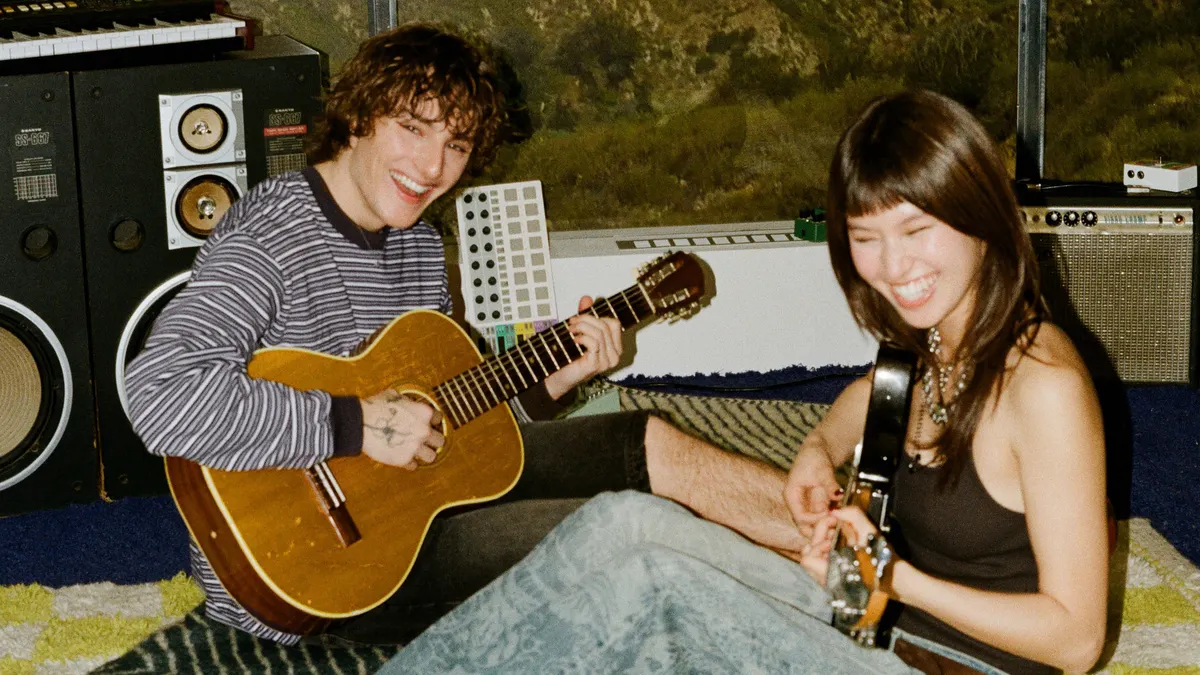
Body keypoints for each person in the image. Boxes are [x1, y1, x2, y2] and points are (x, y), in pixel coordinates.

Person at [377, 89, 1110, 675]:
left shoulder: (1043, 386)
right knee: (621, 521)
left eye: (917, 231)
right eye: (866, 238)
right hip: (867, 622)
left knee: (658, 585)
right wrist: (818, 450)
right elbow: (871, 396)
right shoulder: (936, 333)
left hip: (944, 662)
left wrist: (892, 578)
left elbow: (1076, 642)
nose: (893, 267)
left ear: (979, 215)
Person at [124, 22, 802, 647]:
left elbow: (452, 425)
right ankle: (810, 603)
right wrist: (358, 424)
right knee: (621, 529)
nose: (432, 168)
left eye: (456, 145)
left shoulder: (418, 245)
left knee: (645, 441)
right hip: (330, 570)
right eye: (413, 129)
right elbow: (160, 395)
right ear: (358, 117)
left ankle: (834, 534)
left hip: (421, 500)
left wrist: (553, 382)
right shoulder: (270, 236)